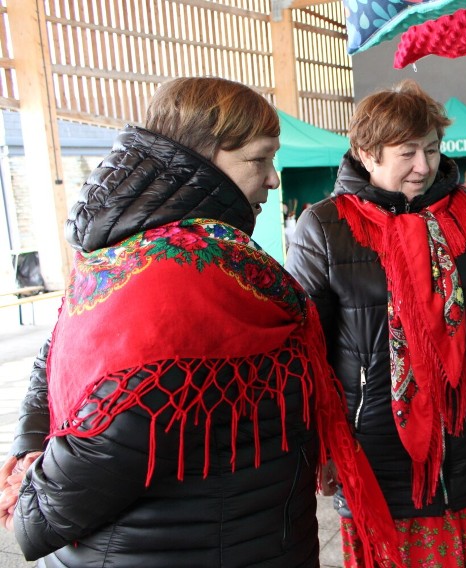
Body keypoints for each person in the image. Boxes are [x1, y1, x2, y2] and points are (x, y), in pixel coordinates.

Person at [0, 76, 399, 568]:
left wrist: (28, 450)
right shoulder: (187, 279)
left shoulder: (127, 254)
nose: (273, 179)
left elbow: (56, 352)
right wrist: (31, 499)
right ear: (199, 158)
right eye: (258, 159)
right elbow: (78, 481)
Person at [285, 79, 466, 567]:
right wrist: (322, 445)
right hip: (374, 443)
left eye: (433, 150)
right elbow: (305, 350)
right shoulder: (325, 225)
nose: (425, 166)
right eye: (407, 153)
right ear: (366, 153)